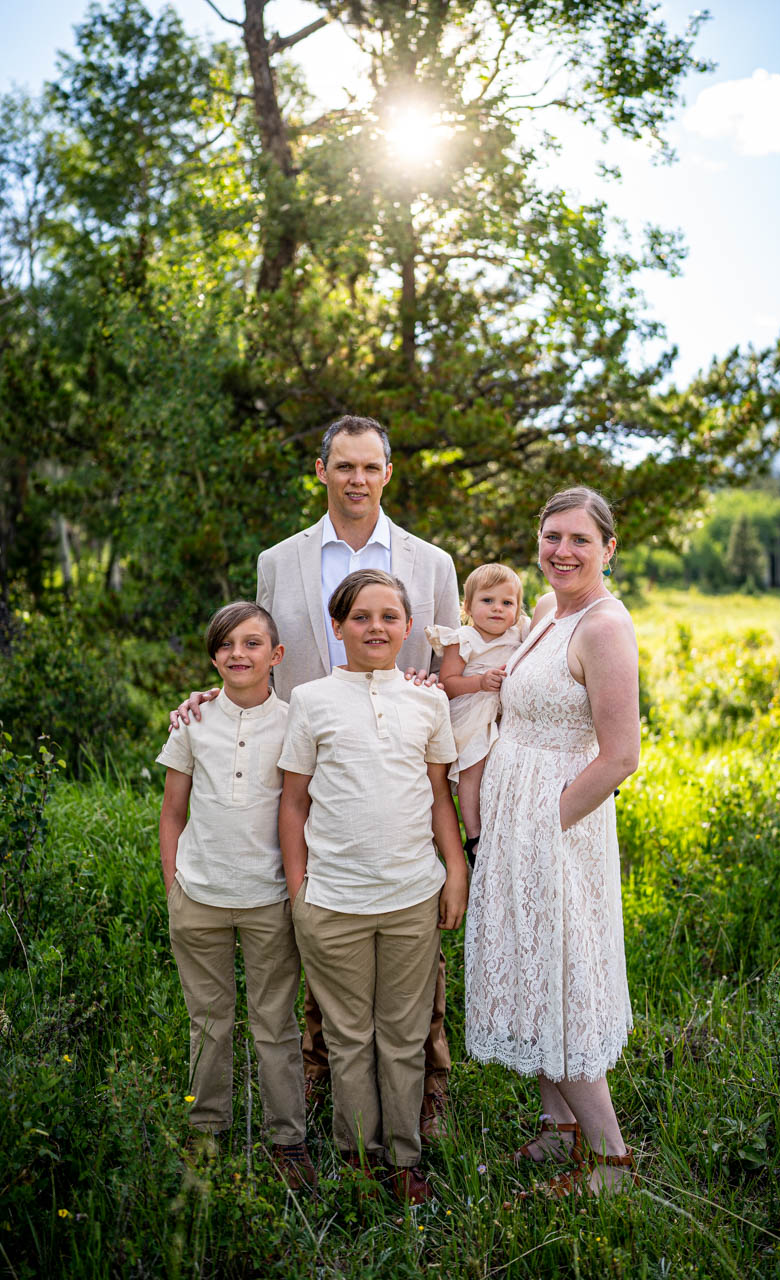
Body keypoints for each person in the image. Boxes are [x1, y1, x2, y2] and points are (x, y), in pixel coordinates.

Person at [168, 416, 461, 1138]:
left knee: (410, 982)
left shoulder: (431, 564)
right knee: (318, 957)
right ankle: (324, 1107)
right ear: (322, 471)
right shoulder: (280, 559)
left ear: (387, 474)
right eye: (343, 466)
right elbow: (256, 650)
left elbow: (449, 673)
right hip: (306, 776)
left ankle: (421, 1114)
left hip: (395, 779)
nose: (357, 479)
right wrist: (210, 700)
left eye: (370, 467)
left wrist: (430, 683)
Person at [464, 487, 641, 1196]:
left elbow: (620, 754)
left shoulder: (602, 627)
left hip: (556, 830)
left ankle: (609, 1161)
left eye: (577, 539)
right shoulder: (544, 611)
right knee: (533, 967)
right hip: (514, 819)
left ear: (607, 548)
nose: (561, 551)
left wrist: (546, 822)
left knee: (560, 977)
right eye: (550, 537)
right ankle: (556, 1129)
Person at [279, 570, 468, 1205]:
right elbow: (294, 803)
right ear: (337, 627)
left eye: (390, 617)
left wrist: (455, 870)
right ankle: (358, 1156)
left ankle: (405, 1157)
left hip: (412, 894)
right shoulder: (310, 701)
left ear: (409, 629)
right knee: (347, 1035)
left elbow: (440, 796)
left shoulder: (428, 702)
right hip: (333, 901)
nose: (376, 628)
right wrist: (299, 889)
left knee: (404, 1031)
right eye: (361, 617)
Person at [156, 602, 315, 1190]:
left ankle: (287, 1138)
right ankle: (207, 1130)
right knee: (208, 1020)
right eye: (225, 645)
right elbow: (173, 813)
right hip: (199, 895)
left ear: (275, 656)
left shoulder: (298, 719)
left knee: (275, 1021)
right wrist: (175, 883)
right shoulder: (192, 721)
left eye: (252, 644)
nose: (238, 654)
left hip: (269, 897)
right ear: (213, 657)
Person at [425, 563, 529, 865]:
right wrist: (480, 682)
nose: (497, 609)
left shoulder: (519, 632)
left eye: (507, 603)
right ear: (467, 606)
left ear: (518, 609)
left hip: (504, 714)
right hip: (471, 711)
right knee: (473, 769)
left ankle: (504, 827)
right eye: (488, 601)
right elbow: (448, 684)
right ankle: (474, 836)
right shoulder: (463, 638)